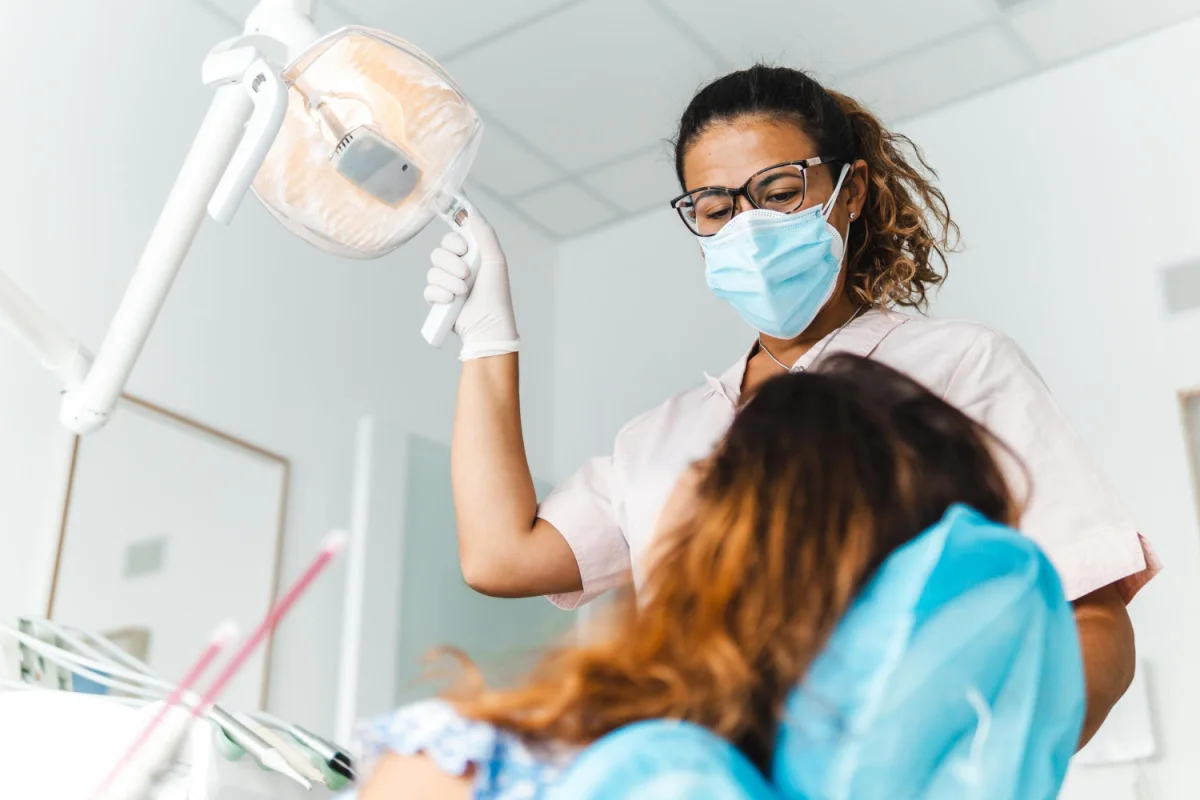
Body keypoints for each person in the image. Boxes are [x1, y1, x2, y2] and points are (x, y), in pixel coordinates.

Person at [423, 64, 1158, 747]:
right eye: (714, 208)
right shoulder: (664, 438)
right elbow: (500, 555)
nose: (748, 226)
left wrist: (970, 771)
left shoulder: (957, 368)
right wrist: (489, 337)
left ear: (853, 191)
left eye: (779, 194)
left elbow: (1092, 620)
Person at [356, 357, 1073, 800]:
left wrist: (486, 344)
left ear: (723, 541)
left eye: (702, 472)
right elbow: (501, 553)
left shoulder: (475, 764)